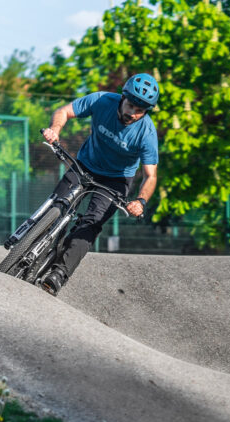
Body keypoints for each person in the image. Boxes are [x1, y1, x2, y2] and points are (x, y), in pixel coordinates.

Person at [39, 73, 160, 296]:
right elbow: (64, 111)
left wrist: (141, 201)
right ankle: (35, 239)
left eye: (139, 110)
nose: (132, 113)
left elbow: (150, 176)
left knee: (90, 223)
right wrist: (55, 129)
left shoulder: (147, 133)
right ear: (123, 97)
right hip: (86, 163)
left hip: (117, 179)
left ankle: (59, 272)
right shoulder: (102, 101)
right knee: (58, 203)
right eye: (131, 105)